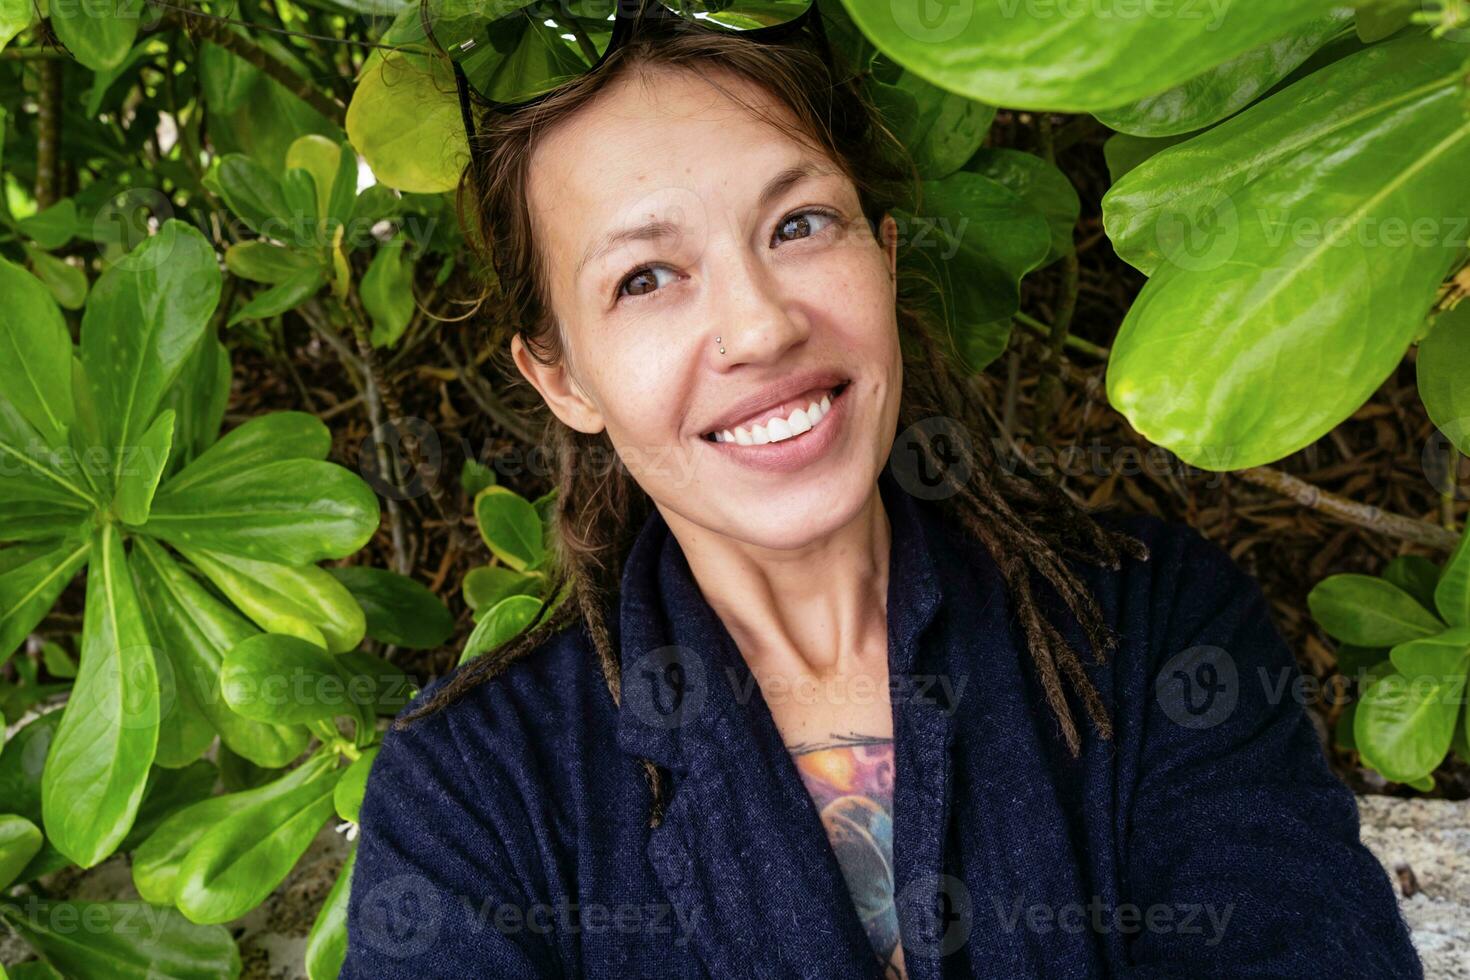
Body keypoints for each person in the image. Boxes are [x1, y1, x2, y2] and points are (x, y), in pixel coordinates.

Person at [339, 4, 1424, 977]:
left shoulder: (1156, 628)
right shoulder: (472, 789)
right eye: (646, 277)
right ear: (563, 374)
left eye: (799, 223)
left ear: (886, 254)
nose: (762, 324)